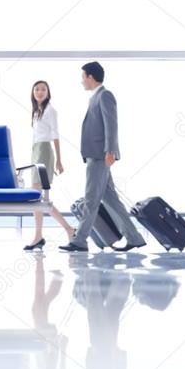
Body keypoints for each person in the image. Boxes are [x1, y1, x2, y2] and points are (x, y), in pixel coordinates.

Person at [60, 62, 146, 253]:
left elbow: (111, 125)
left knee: (91, 200)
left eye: (83, 77)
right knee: (111, 200)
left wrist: (111, 152)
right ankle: (135, 238)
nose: (81, 81)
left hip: (100, 156)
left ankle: (79, 241)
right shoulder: (95, 97)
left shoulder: (105, 95)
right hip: (95, 155)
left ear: (91, 77)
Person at [23, 80, 75, 251]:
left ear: (48, 92)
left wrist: (59, 160)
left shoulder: (51, 111)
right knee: (38, 199)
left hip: (44, 152)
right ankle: (41, 235)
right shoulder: (37, 111)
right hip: (36, 151)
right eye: (37, 89)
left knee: (38, 198)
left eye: (43, 89)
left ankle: (66, 230)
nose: (39, 92)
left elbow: (55, 136)